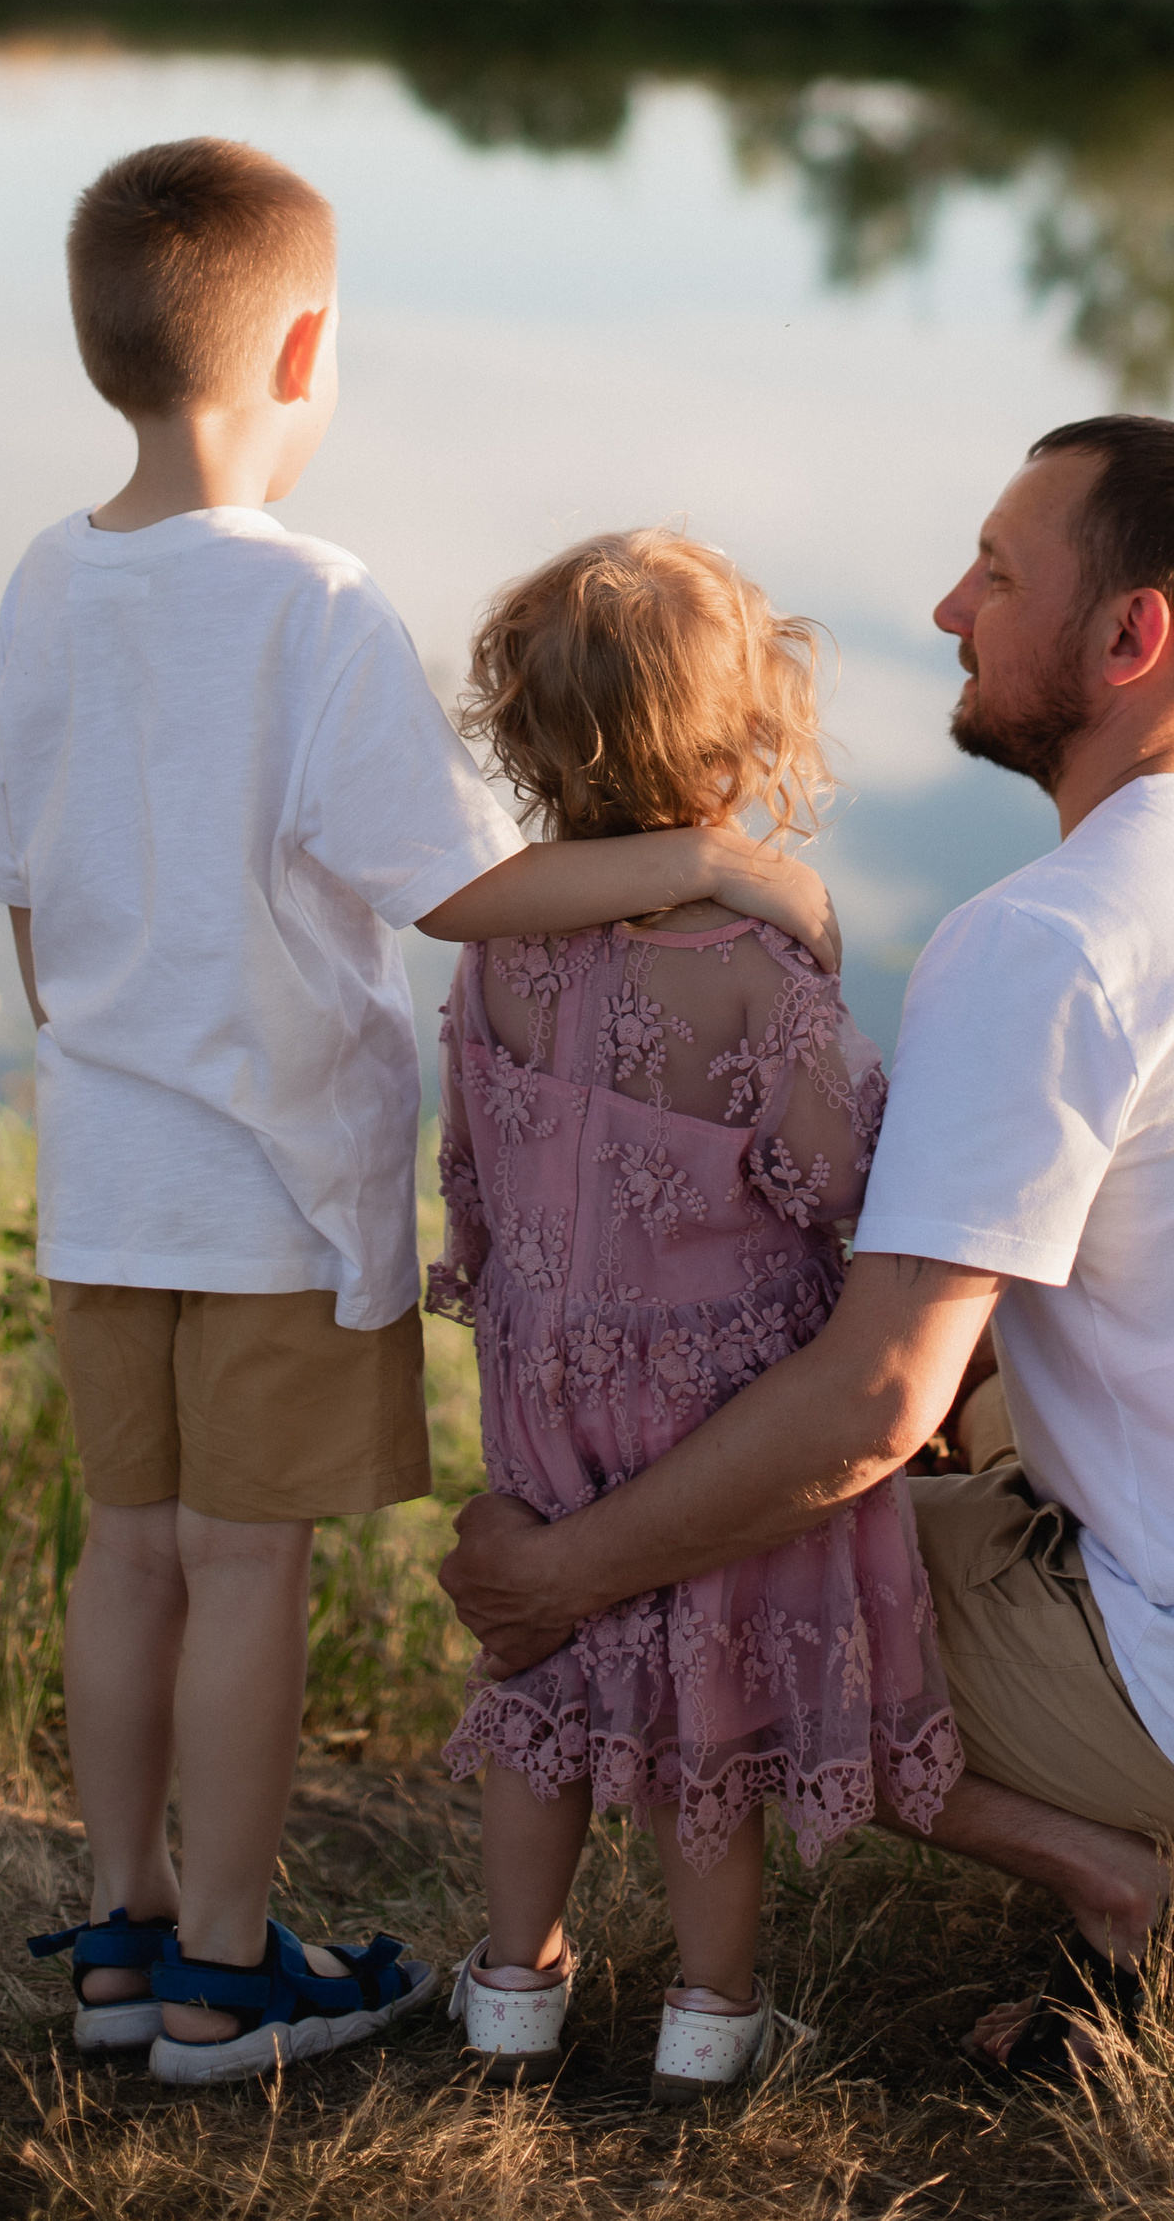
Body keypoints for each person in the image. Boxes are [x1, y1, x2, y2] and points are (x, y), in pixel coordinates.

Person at [442, 414, 1174, 2083]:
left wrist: (564, 1568)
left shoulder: (1045, 941)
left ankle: (1136, 1897)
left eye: (998, 572)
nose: (949, 606)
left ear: (1133, 638)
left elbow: (866, 1413)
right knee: (1008, 1344)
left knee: (750, 1591)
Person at [0, 137, 839, 2087]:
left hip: (103, 1177)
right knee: (245, 1565)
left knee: (127, 1552)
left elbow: (21, 896)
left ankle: (116, 1933)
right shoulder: (312, 601)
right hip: (266, 1188)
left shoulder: (44, 577)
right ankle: (224, 1972)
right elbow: (453, 885)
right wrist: (713, 859)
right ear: (305, 350)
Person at [430, 530, 961, 2108]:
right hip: (717, 1410)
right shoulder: (760, 970)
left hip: (551, 1382)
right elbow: (840, 1174)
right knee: (703, 1716)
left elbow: (468, 1145)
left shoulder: (499, 952)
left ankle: (511, 1996)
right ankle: (707, 2019)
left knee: (546, 1691)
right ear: (753, 735)